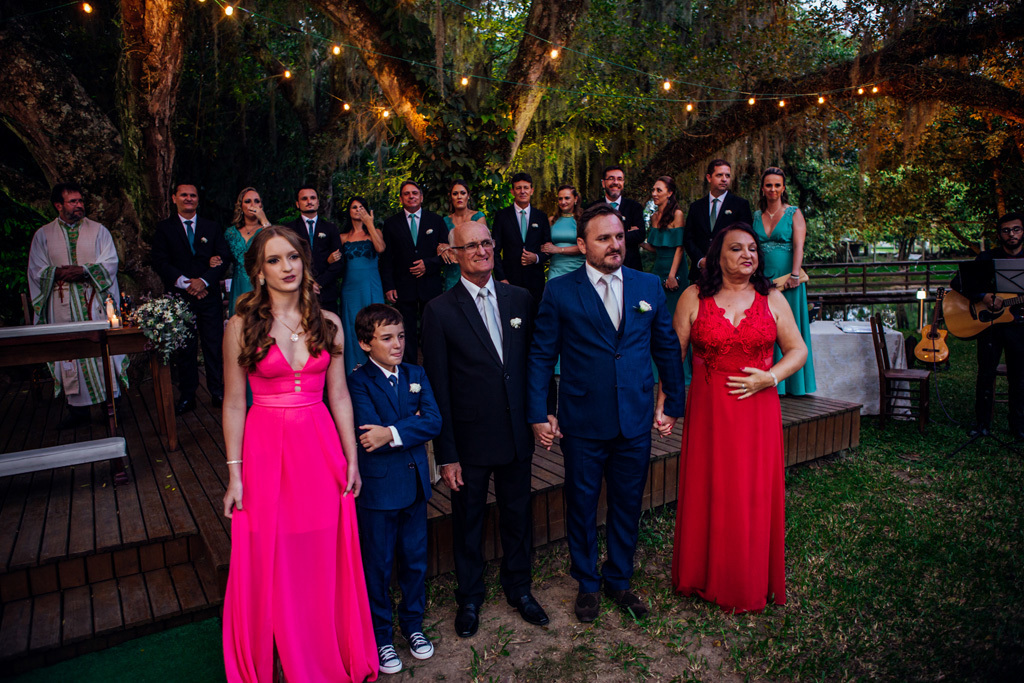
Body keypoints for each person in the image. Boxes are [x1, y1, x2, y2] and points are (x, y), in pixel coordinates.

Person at [220, 227, 378, 683]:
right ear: (259, 270)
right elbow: (233, 403)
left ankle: (325, 649)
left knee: (322, 548)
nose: (287, 267)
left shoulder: (328, 322)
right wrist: (235, 475)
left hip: (319, 443)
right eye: (274, 260)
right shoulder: (240, 325)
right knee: (270, 553)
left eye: (293, 257)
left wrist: (351, 458)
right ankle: (278, 657)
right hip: (265, 446)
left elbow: (341, 395)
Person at [527, 204, 685, 623]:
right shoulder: (560, 291)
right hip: (581, 420)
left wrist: (671, 403)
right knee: (580, 504)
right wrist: (541, 411)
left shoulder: (648, 285)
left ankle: (619, 579)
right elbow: (542, 355)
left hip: (634, 418)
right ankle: (587, 582)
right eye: (603, 238)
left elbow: (667, 347)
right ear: (582, 245)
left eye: (618, 236)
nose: (615, 245)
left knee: (628, 503)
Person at [670, 224, 807, 613]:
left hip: (757, 412)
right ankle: (701, 574)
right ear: (718, 256)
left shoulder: (773, 298)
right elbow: (674, 355)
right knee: (709, 485)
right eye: (736, 248)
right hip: (710, 412)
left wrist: (772, 376)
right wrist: (664, 402)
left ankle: (746, 579)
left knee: (751, 492)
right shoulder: (693, 296)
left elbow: (798, 350)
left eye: (752, 248)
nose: (748, 254)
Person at [422, 221, 550, 639]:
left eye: (486, 243)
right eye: (470, 245)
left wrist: (543, 412)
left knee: (518, 515)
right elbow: (438, 386)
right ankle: (471, 597)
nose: (480, 250)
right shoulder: (439, 309)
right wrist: (447, 453)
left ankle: (519, 588)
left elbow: (536, 365)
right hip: (469, 441)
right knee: (468, 522)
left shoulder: (521, 298)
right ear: (454, 254)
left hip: (516, 433)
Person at [348, 304, 442, 674]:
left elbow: (434, 421)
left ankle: (413, 626)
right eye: (387, 338)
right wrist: (406, 425)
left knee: (415, 561)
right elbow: (367, 435)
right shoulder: (357, 382)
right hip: (379, 492)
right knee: (379, 566)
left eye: (401, 336)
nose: (398, 344)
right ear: (365, 344)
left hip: (416, 485)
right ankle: (382, 636)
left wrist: (392, 431)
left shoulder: (416, 373)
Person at [28, 182, 128, 426]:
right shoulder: (43, 234)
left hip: (93, 303)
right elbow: (36, 269)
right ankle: (78, 413)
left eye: (81, 201)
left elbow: (110, 263)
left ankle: (109, 408)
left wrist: (83, 271)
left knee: (100, 350)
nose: (79, 205)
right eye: (73, 201)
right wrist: (59, 273)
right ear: (58, 205)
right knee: (68, 351)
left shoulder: (99, 231)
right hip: (62, 306)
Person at [151, 182, 231, 415]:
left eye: (193, 195)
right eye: (184, 195)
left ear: (198, 199)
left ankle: (217, 391)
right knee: (185, 347)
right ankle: (188, 395)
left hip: (209, 296)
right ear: (174, 197)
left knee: (213, 345)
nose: (188, 198)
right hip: (180, 297)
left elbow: (224, 257)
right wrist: (187, 283)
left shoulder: (212, 227)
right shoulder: (164, 228)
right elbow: (160, 261)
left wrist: (204, 281)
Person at [956, 212, 1024, 439]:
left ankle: (1018, 426)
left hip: (1019, 327)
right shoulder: (987, 258)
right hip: (990, 326)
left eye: (1016, 229)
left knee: (1020, 377)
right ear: (999, 234)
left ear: (1023, 231)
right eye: (1006, 230)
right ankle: (982, 424)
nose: (1011, 234)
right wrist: (984, 296)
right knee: (985, 374)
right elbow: (958, 282)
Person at [751, 167, 816, 396]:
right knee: (766, 326)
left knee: (790, 327)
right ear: (762, 188)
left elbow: (799, 245)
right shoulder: (757, 215)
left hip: (789, 280)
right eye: (769, 185)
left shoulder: (794, 213)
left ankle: (795, 384)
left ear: (783, 188)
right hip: (763, 280)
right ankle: (766, 376)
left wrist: (795, 275)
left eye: (777, 185)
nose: (773, 189)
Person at [379, 181, 446, 364]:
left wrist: (428, 264)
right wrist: (389, 286)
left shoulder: (436, 221)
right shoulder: (392, 224)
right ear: (401, 198)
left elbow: (447, 254)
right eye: (407, 194)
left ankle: (433, 367)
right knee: (404, 330)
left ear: (421, 197)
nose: (411, 196)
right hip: (403, 286)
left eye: (415, 193)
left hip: (430, 285)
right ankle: (409, 369)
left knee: (431, 328)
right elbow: (387, 258)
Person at [683, 159, 753, 284]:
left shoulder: (740, 205)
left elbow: (745, 238)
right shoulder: (696, 207)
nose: (724, 179)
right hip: (700, 273)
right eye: (719, 175)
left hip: (729, 272)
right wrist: (700, 260)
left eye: (727, 176)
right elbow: (688, 238)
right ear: (709, 178)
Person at [339, 197, 386, 373]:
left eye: (361, 207)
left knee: (375, 325)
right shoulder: (342, 237)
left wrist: (370, 224)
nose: (358, 210)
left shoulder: (376, 232)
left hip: (371, 285)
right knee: (352, 327)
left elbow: (380, 248)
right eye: (354, 207)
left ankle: (378, 369)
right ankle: (355, 370)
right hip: (350, 289)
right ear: (349, 212)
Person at [492, 172, 551, 305]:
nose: (522, 191)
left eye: (526, 188)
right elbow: (494, 250)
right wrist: (501, 278)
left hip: (535, 279)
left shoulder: (541, 217)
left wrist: (536, 258)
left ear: (532, 190)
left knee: (535, 318)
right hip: (510, 279)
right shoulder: (502, 216)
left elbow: (548, 249)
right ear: (512, 191)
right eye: (518, 188)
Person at [284, 185, 345, 314]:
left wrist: (319, 283)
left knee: (330, 330)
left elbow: (339, 262)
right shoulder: (289, 229)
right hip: (299, 291)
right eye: (304, 199)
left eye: (312, 198)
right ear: (297, 204)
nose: (309, 201)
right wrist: (306, 283)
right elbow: (287, 259)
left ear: (317, 202)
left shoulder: (330, 228)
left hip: (326, 292)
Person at [588, 165, 646, 271]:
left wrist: (604, 237)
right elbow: (590, 236)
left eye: (619, 179)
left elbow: (640, 235)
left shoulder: (634, 207)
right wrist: (627, 234)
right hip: (601, 267)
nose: (615, 182)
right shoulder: (593, 208)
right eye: (611, 178)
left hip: (630, 266)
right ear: (603, 183)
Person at [225, 187, 271, 317]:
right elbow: (224, 257)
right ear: (241, 206)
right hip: (238, 283)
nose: (252, 205)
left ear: (261, 205)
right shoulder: (230, 233)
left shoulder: (266, 229)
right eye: (248, 201)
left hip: (260, 283)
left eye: (256, 201)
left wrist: (264, 219)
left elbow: (276, 245)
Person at [439, 180, 487, 291]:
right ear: (451, 197)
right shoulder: (444, 221)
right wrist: (440, 247)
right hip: (453, 273)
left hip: (475, 271)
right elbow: (442, 245)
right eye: (455, 194)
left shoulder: (478, 217)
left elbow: (482, 245)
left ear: (468, 196)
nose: (459, 196)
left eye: (463, 193)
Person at [541, 184, 585, 280]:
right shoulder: (552, 221)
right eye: (560, 199)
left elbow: (586, 247)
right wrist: (544, 247)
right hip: (556, 270)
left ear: (576, 199)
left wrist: (558, 250)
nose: (563, 202)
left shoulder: (583, 220)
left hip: (577, 268)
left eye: (567, 198)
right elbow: (545, 243)